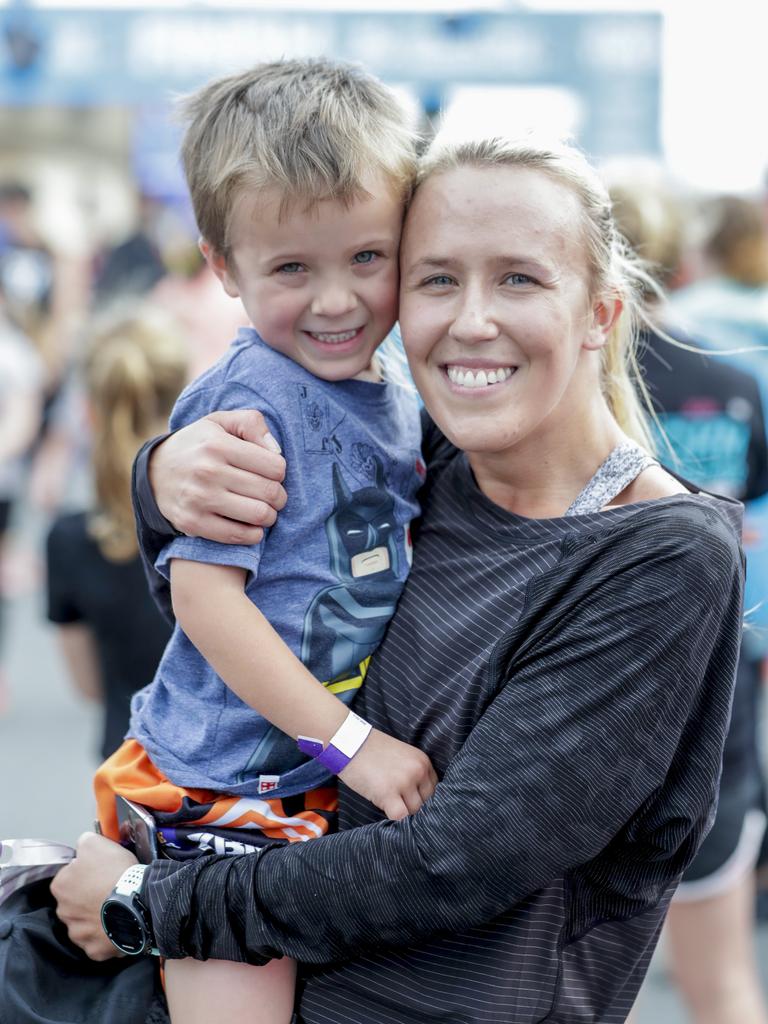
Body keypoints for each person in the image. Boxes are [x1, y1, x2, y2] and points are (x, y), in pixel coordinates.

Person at [53, 135, 746, 1024]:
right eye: (437, 278)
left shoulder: (658, 557)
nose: (471, 320)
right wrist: (166, 480)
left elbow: (455, 862)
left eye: (520, 279)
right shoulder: (422, 467)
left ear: (601, 312)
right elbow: (237, 615)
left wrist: (150, 903)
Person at [89, 59, 434, 1024]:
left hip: (304, 780)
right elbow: (205, 599)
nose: (336, 301)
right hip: (221, 788)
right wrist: (354, 746)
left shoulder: (397, 394)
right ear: (222, 267)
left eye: (368, 257)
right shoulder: (250, 407)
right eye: (292, 268)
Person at [610, 180, 768, 1024]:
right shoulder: (730, 380)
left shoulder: (563, 390)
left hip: (598, 697)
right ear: (679, 259)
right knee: (725, 984)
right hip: (721, 695)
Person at [46, 308, 186, 761]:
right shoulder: (235, 517)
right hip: (241, 777)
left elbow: (87, 685)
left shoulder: (68, 539)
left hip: (130, 767)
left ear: (88, 411)